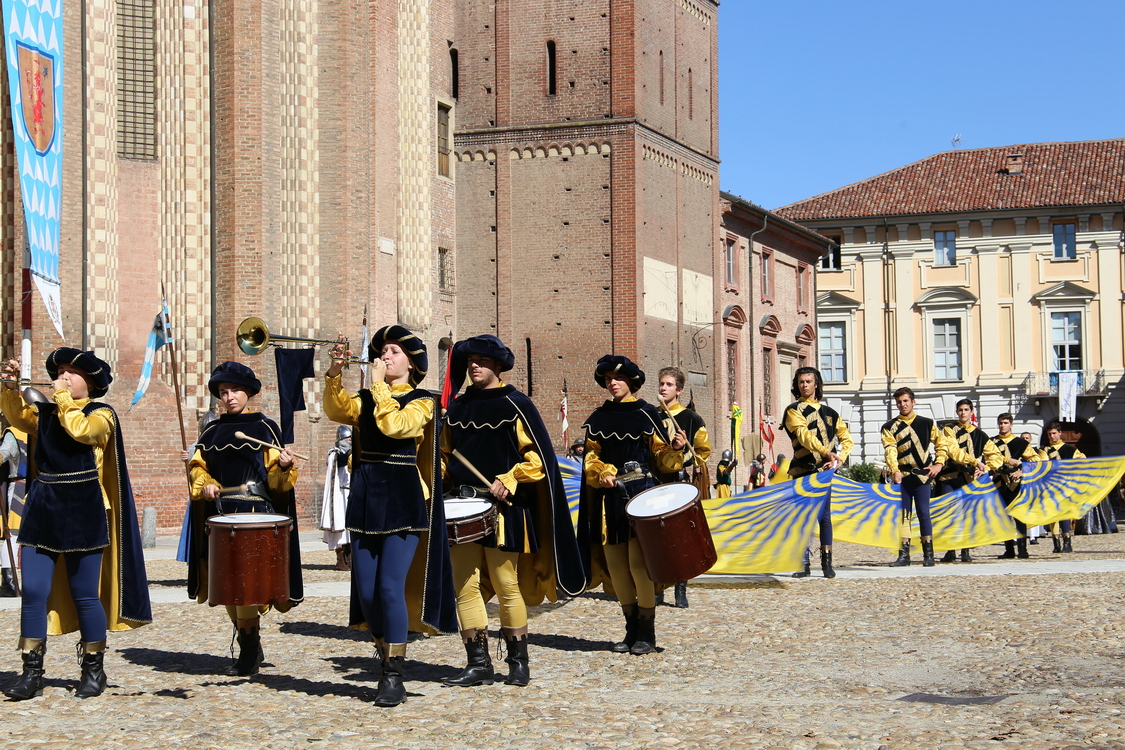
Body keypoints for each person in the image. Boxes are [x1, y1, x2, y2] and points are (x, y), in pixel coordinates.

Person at [1, 350, 151, 700]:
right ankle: (31, 671)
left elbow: (81, 431)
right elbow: (17, 418)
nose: (64, 377)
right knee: (34, 592)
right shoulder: (47, 413)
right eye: (61, 372)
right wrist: (10, 388)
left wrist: (63, 398)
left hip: (85, 511)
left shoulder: (102, 415)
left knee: (85, 595)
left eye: (73, 373)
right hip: (43, 509)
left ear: (92, 382)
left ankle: (93, 668)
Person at [440, 335, 584, 687]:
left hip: (503, 511)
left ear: (498, 365)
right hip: (461, 508)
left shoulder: (515, 404)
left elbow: (538, 459)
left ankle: (519, 662)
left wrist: (511, 477)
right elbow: (445, 456)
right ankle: (478, 663)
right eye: (470, 360)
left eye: (482, 360)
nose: (474, 365)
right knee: (465, 587)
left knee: (507, 585)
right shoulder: (456, 409)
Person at [324, 325, 457, 707]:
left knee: (388, 587)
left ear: (412, 363)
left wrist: (379, 387)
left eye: (394, 352)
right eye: (382, 351)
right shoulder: (367, 397)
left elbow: (396, 426)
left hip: (402, 496)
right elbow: (337, 409)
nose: (384, 357)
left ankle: (393, 673)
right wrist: (334, 373)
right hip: (366, 494)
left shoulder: (424, 401)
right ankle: (384, 654)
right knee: (366, 593)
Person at [187, 361, 304, 676]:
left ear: (249, 392)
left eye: (235, 390)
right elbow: (197, 467)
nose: (229, 397)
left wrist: (282, 466)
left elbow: (279, 484)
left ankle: (249, 651)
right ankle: (250, 644)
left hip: (254, 515)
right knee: (226, 586)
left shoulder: (265, 428)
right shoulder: (211, 431)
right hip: (219, 515)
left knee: (245, 585)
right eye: (223, 392)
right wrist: (205, 483)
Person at [576, 355, 685, 655]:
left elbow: (662, 459)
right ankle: (631, 628)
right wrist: (602, 473)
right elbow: (592, 457)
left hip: (642, 496)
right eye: (608, 378)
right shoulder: (598, 417)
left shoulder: (650, 414)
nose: (613, 382)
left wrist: (675, 449)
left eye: (618, 378)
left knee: (639, 565)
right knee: (617, 567)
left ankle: (647, 633)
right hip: (609, 498)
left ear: (632, 382)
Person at [782, 366, 853, 578]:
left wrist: (839, 459)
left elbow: (847, 439)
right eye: (801, 382)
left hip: (823, 473)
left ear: (816, 384)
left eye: (808, 381)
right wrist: (826, 451)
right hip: (802, 471)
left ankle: (826, 562)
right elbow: (804, 436)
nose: (804, 385)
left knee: (824, 517)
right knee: (802, 517)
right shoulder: (793, 410)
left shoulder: (831, 413)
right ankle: (802, 562)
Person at [654, 366, 711, 607]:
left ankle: (681, 587)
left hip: (678, 482)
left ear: (678, 390)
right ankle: (657, 588)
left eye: (668, 385)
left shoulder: (692, 419)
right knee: (656, 537)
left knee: (680, 538)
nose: (663, 388)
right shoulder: (651, 415)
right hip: (654, 482)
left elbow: (703, 454)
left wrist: (684, 451)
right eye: (661, 384)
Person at [882, 387, 949, 567]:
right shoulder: (889, 427)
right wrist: (894, 469)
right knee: (904, 515)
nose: (902, 405)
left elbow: (942, 444)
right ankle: (904, 555)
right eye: (899, 402)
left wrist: (939, 463)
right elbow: (890, 449)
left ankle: (929, 554)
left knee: (923, 513)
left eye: (905, 401)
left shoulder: (927, 423)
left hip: (923, 477)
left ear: (913, 402)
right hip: (902, 478)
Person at [936, 399, 1002, 563]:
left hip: (971, 479)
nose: (963, 413)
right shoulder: (949, 429)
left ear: (971, 412)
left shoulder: (980, 434)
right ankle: (951, 550)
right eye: (960, 410)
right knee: (950, 514)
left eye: (966, 409)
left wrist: (985, 468)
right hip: (951, 476)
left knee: (967, 515)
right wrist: (974, 462)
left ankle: (965, 550)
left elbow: (996, 456)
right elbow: (953, 451)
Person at [990, 413, 1041, 559]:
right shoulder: (992, 442)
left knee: (1019, 516)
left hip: (1016, 483)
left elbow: (1035, 460)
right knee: (1003, 517)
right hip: (999, 482)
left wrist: (1022, 470)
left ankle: (1022, 549)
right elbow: (987, 457)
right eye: (1000, 423)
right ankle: (1009, 549)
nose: (1003, 425)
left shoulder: (1021, 443)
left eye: (1005, 423)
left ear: (1011, 424)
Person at [1039, 420, 1085, 553]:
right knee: (1053, 515)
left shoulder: (1071, 449)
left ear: (1060, 433)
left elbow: (1082, 460)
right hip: (1050, 485)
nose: (1052, 436)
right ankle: (1056, 543)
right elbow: (1043, 464)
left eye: (1054, 433)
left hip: (1065, 485)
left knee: (1064, 513)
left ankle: (1067, 542)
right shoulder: (1044, 449)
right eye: (1049, 434)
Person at [321, 425, 353, 571]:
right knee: (341, 528)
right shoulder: (334, 453)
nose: (350, 440)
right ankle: (341, 560)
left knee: (351, 529)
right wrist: (350, 452)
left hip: (351, 493)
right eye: (348, 438)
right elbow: (341, 461)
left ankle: (351, 559)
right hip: (339, 496)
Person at [0, 418, 24, 597]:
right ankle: (9, 582)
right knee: (14, 534)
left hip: (43, 485)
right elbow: (4, 453)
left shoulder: (42, 429)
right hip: (20, 487)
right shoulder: (14, 432)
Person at [1019, 431, 1042, 543]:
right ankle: (1016, 536)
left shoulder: (1035, 452)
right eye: (1023, 438)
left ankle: (1033, 536)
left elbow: (1038, 464)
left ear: (1030, 440)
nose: (1025, 440)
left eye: (1027, 438)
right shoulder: (1017, 450)